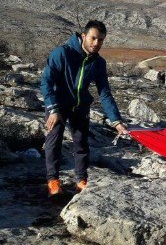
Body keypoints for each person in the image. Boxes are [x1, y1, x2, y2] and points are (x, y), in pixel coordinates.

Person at [40, 20, 128, 196]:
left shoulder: (98, 63)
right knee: (54, 139)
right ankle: (53, 181)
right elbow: (46, 81)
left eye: (101, 40)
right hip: (58, 103)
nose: (96, 43)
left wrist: (116, 121)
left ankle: (81, 180)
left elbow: (104, 92)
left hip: (80, 106)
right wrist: (53, 108)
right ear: (83, 36)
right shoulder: (62, 53)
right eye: (93, 38)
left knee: (81, 143)